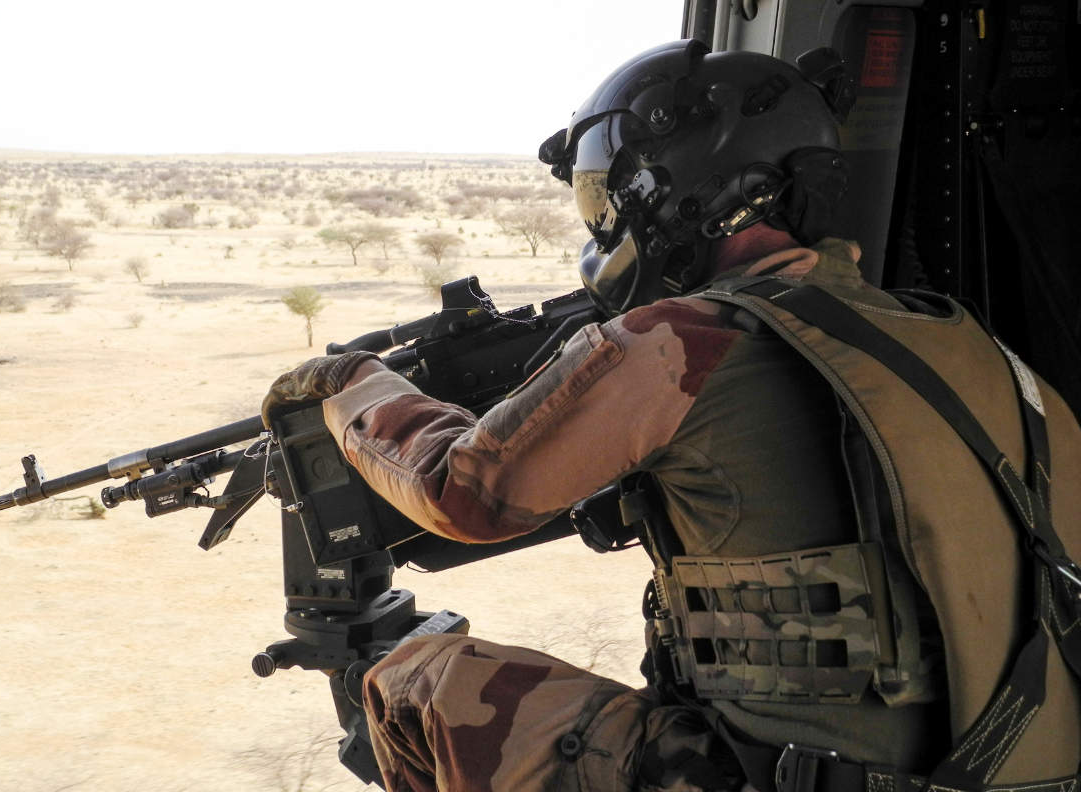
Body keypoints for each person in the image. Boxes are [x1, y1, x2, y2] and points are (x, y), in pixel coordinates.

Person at [263, 41, 1081, 792]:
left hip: (794, 780)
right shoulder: (975, 347)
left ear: (670, 191)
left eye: (605, 196)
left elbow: (464, 493)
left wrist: (348, 383)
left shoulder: (684, 339)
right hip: (1008, 773)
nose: (605, 222)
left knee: (420, 681)